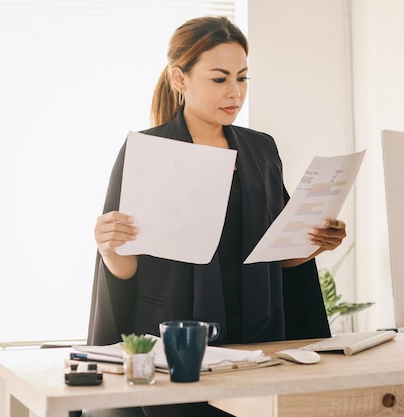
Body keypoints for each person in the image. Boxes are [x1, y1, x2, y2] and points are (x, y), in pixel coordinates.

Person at [88, 16, 347, 417]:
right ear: (180, 79)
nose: (235, 92)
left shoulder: (261, 150)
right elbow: (125, 270)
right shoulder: (149, 150)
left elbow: (277, 254)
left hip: (258, 340)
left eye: (242, 78)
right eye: (220, 79)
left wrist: (314, 243)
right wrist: (108, 247)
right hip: (176, 345)